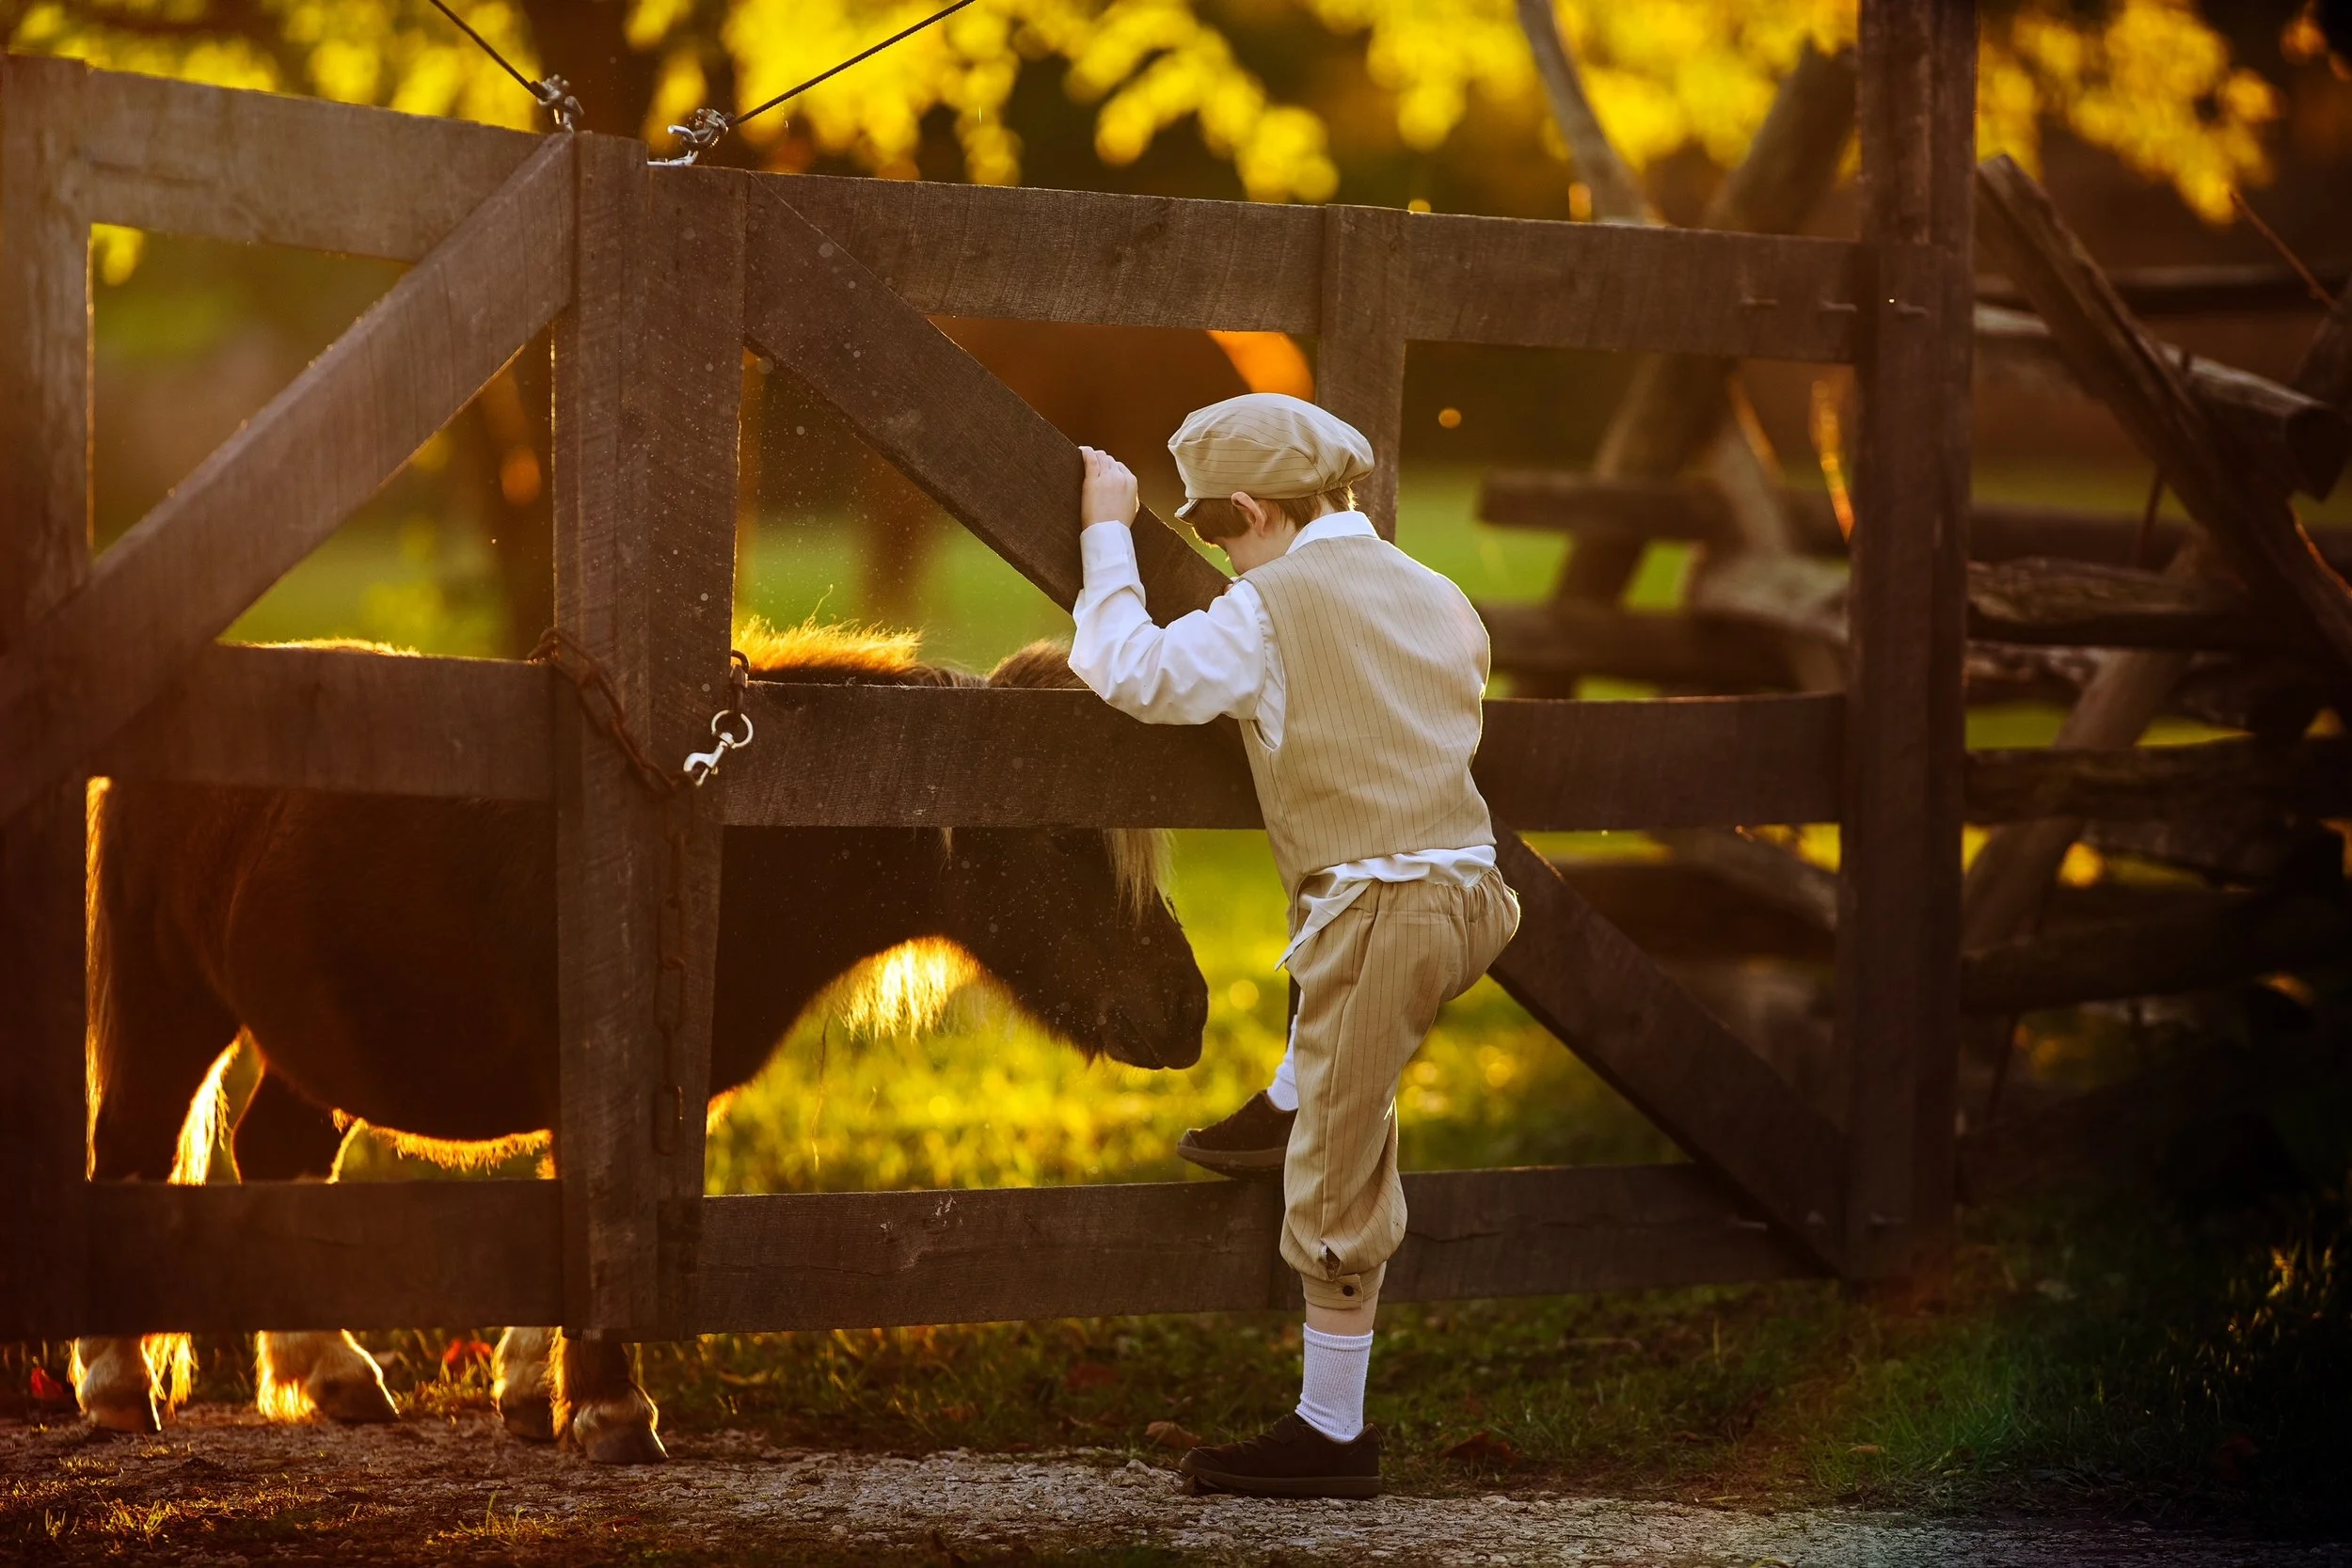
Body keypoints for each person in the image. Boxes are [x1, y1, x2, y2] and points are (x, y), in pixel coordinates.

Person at [1068, 392, 1519, 1498]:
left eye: (1213, 529)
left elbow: (1131, 670)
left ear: (1254, 509)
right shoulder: (1439, 592)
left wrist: (1105, 531)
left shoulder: (1266, 610)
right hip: (1472, 895)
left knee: (1336, 1169)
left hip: (1385, 907)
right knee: (1334, 997)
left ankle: (1331, 1434)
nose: (1217, 552)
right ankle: (1290, 1088)